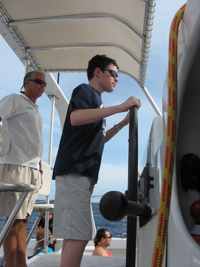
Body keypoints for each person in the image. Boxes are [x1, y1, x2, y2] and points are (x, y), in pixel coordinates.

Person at [52, 54, 141, 267]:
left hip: (81, 175)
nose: (117, 79)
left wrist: (121, 123)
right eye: (114, 73)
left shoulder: (98, 105)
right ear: (98, 72)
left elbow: (100, 138)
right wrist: (121, 106)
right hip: (75, 173)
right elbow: (75, 118)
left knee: (75, 234)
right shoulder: (85, 90)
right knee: (81, 234)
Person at [0, 70, 46, 267]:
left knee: (23, 222)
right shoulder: (15, 100)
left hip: (32, 170)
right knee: (12, 223)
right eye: (38, 82)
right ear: (26, 83)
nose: (42, 86)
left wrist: (40, 170)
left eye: (44, 84)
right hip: (16, 166)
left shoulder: (35, 109)